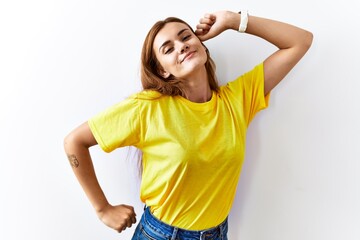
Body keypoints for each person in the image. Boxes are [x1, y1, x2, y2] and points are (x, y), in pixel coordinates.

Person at [64, 10, 313, 240]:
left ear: (202, 45)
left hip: (217, 233)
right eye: (168, 49)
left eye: (185, 37)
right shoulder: (148, 108)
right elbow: (74, 142)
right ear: (162, 71)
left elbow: (300, 41)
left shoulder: (236, 100)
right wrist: (102, 208)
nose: (181, 46)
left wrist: (232, 20)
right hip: (161, 234)